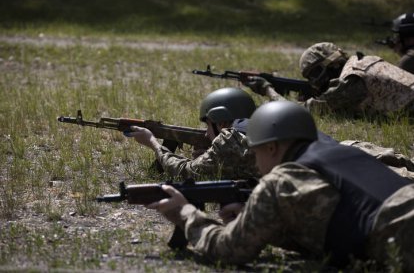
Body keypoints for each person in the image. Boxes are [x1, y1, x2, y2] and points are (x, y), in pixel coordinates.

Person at [146, 101, 414, 270]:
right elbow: (338, 220)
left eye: (256, 151)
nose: (255, 160)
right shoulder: (348, 154)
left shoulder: (279, 180)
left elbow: (229, 250)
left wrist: (185, 214)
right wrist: (267, 223)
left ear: (272, 147)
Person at [243, 78, 414, 181]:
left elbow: (301, 111)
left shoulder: (349, 83)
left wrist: (268, 89)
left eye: (315, 74)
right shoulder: (358, 65)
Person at [125, 87, 260, 181]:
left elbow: (185, 172)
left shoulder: (229, 140)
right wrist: (208, 157)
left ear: (222, 123)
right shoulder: (262, 131)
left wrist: (152, 143)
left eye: (208, 125)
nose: (207, 134)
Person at [297, 42, 414, 116]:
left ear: (333, 63)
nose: (314, 82)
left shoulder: (351, 79)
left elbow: (313, 109)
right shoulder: (364, 60)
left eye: (315, 74)